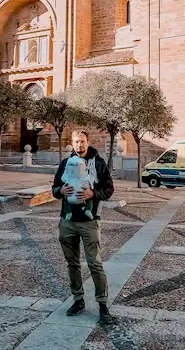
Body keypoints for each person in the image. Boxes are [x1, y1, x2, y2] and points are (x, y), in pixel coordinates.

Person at [52, 130, 115, 324]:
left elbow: (109, 189)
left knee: (94, 264)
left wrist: (92, 194)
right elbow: (54, 189)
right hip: (68, 221)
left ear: (88, 142)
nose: (79, 145)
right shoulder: (65, 164)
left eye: (83, 141)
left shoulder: (98, 163)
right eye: (76, 142)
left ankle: (103, 304)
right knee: (72, 263)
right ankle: (78, 300)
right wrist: (60, 190)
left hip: (89, 221)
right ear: (72, 143)